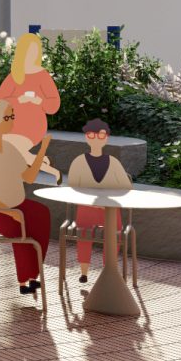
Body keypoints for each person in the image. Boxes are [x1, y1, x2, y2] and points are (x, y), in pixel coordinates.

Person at [0, 97, 58, 298]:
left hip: (17, 205)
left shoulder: (10, 149)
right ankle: (24, 280)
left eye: (13, 116)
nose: (12, 121)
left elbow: (28, 177)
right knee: (22, 229)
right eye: (8, 117)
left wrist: (43, 150)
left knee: (41, 214)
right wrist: (10, 213)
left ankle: (33, 275)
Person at [64, 119, 130, 283]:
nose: (96, 138)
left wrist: (108, 200)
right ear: (87, 136)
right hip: (86, 207)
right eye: (92, 134)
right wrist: (91, 201)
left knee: (114, 233)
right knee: (83, 233)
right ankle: (84, 272)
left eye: (101, 134)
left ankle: (109, 269)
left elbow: (126, 187)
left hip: (110, 208)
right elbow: (72, 187)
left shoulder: (114, 163)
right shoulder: (79, 162)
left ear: (106, 137)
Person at [0, 31, 60, 149]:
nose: (31, 54)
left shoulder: (42, 75)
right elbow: (0, 101)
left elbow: (54, 105)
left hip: (34, 126)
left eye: (34, 51)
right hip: (11, 124)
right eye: (28, 51)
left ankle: (38, 161)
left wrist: (39, 101)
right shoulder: (15, 74)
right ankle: (39, 161)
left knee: (14, 148)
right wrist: (19, 100)